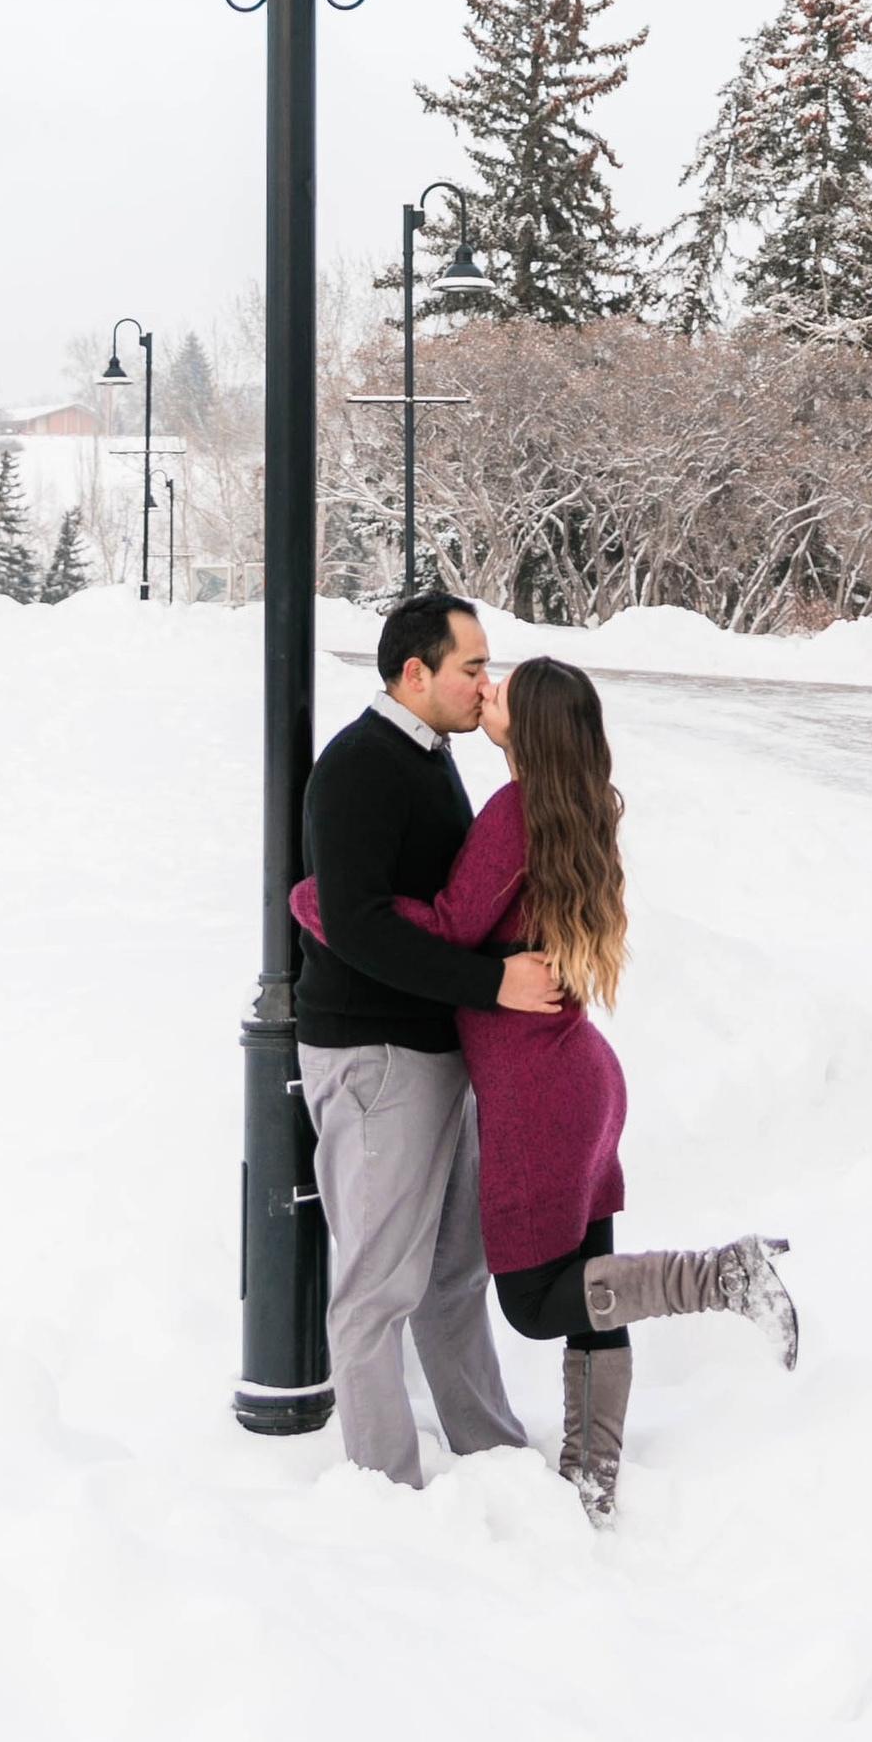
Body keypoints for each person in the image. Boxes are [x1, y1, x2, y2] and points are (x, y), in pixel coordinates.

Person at [293, 650, 795, 1519]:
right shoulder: (580, 810)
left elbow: (450, 926)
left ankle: (721, 1278)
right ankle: (592, 1478)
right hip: (582, 1078)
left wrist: (326, 902)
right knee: (590, 1288)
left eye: (502, 691)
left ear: (527, 732)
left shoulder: (516, 814)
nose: (485, 689)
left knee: (534, 1303)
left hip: (534, 1094)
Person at [292, 593, 564, 1487]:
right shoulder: (362, 766)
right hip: (376, 1058)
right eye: (472, 668)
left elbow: (450, 908)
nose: (487, 684)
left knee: (453, 1276)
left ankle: (493, 1456)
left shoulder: (428, 755)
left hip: (434, 1053)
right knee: (378, 1291)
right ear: (416, 674)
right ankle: (385, 1493)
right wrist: (494, 985)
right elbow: (360, 927)